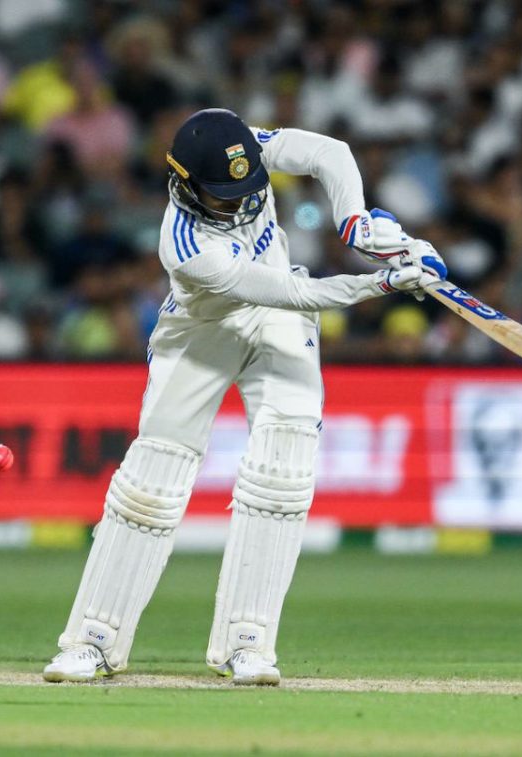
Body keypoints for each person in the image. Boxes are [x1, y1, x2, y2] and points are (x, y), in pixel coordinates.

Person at [42, 108, 445, 686]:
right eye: (223, 196)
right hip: (205, 331)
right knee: (152, 481)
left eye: (247, 190)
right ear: (183, 184)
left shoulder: (250, 147)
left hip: (278, 324)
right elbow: (287, 291)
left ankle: (248, 644)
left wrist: (355, 225)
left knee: (284, 472)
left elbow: (330, 152)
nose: (240, 204)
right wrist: (381, 282)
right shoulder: (184, 243)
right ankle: (93, 641)